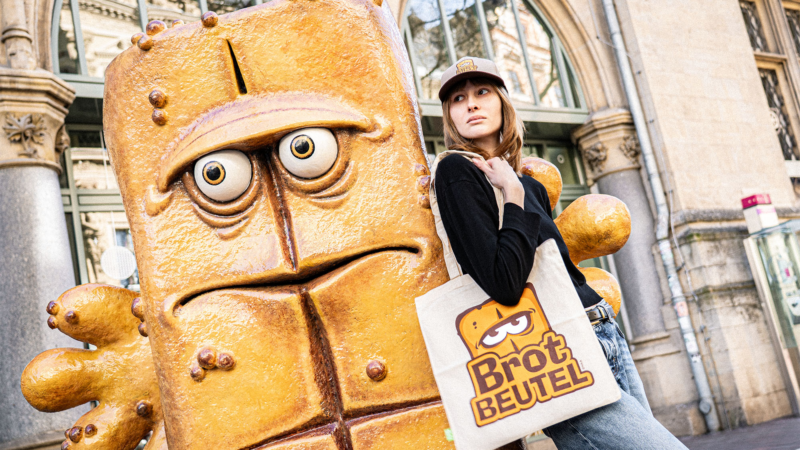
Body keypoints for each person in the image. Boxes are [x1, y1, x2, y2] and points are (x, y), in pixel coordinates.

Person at [433, 56, 688, 450]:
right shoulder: (457, 173)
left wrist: (517, 190)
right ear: (449, 116)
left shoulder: (528, 185)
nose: (471, 103)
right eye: (457, 98)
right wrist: (512, 199)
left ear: (502, 101)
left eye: (482, 91)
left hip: (601, 329)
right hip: (554, 348)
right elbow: (503, 282)